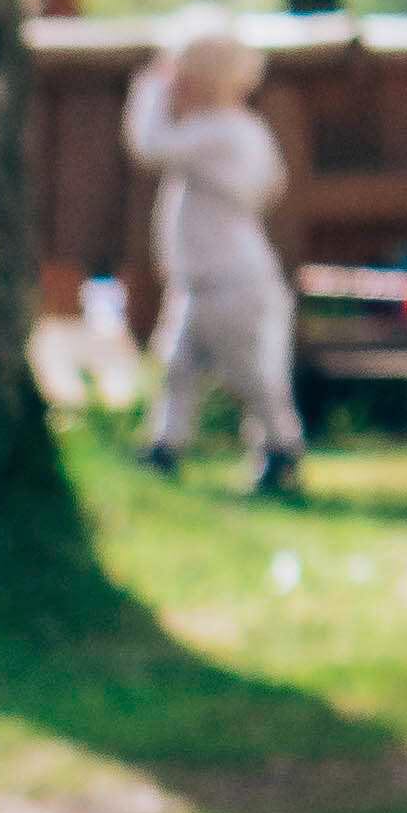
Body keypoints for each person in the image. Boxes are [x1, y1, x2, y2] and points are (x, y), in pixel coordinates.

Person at [127, 27, 304, 499]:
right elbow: (274, 182)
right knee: (177, 367)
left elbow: (148, 145)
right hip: (205, 280)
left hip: (231, 281)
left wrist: (148, 89)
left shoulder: (215, 132)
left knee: (250, 373)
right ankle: (166, 444)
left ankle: (282, 445)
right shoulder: (246, 129)